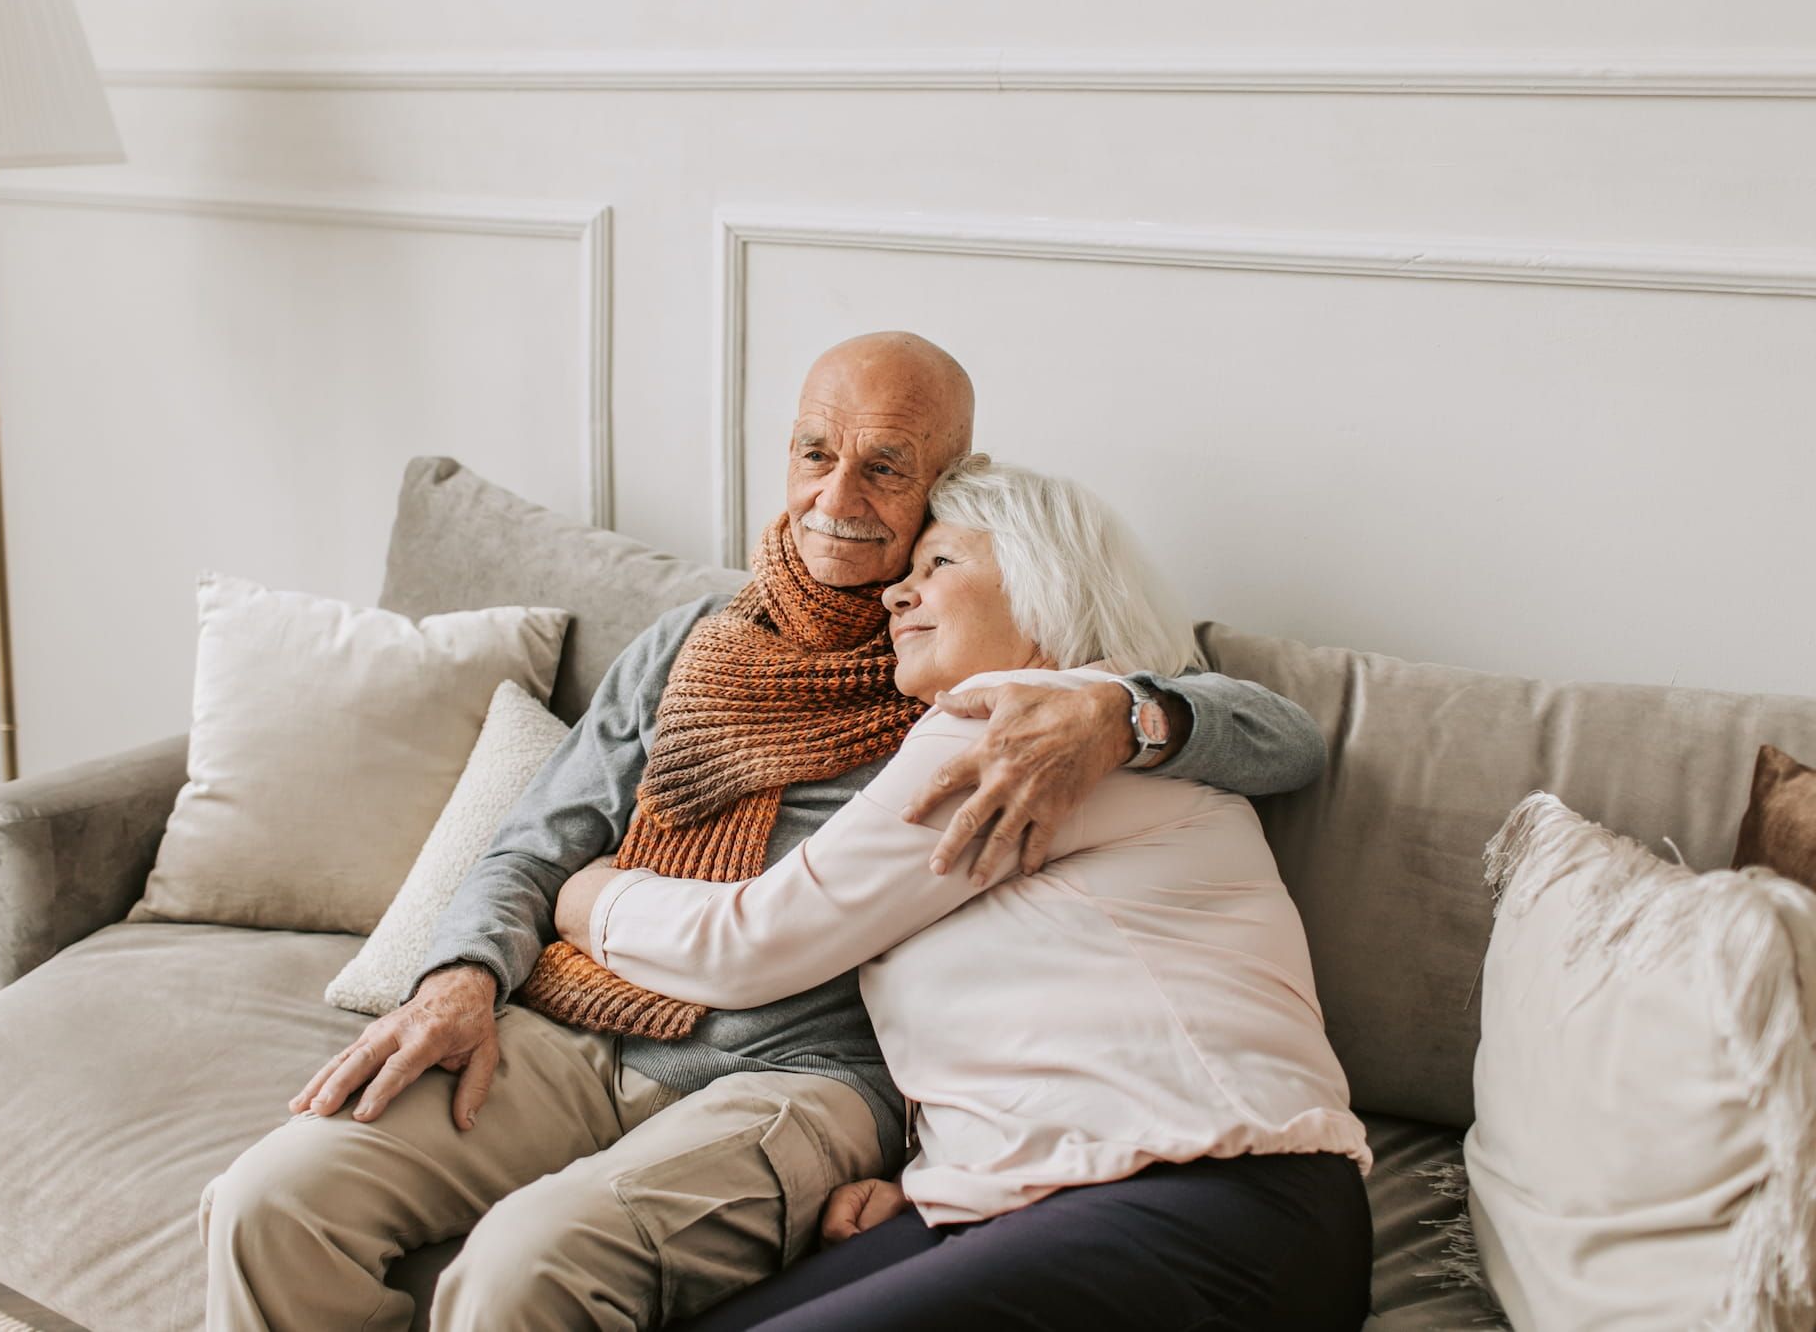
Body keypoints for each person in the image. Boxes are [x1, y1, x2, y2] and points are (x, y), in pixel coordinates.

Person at [199, 333, 1330, 1331]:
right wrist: (454, 977)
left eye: (885, 467)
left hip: (800, 1071)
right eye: (812, 453)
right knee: (267, 1204)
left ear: (944, 489)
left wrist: (1118, 711)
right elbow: (535, 840)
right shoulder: (695, 639)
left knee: (518, 1273)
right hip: (588, 1015)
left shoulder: (1002, 699)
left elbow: (1278, 737)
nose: (835, 494)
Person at [555, 454, 1373, 1331]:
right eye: (902, 577)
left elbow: (752, 942)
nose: (897, 596)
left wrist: (587, 896)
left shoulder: (1019, 724)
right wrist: (928, 1174)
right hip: (1055, 1206)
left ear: (1047, 582)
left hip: (1214, 1198)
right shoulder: (1099, 729)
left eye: (939, 565)